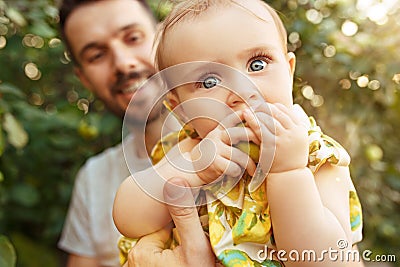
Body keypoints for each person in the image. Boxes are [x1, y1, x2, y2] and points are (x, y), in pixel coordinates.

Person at [113, 0, 364, 266]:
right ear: (180, 109)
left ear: (289, 72)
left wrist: (288, 172)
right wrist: (193, 169)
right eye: (210, 81)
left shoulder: (316, 155)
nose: (243, 90)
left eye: (257, 64)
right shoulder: (190, 150)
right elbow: (129, 219)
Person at [56, 0, 189, 266]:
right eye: (96, 55)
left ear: (164, 37)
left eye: (133, 38)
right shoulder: (93, 179)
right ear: (84, 79)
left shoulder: (254, 142)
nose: (123, 64)